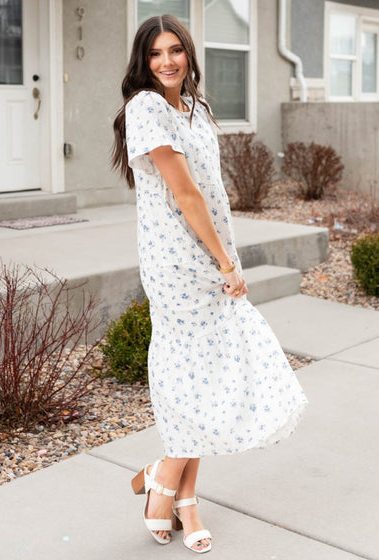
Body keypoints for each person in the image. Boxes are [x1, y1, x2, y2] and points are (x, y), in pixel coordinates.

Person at [112, 14, 308, 554]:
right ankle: (168, 483)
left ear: (189, 54)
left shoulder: (196, 108)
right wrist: (225, 263)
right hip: (178, 261)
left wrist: (225, 254)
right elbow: (186, 193)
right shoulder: (145, 107)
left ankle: (173, 488)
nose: (167, 62)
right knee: (190, 369)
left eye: (175, 51)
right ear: (142, 61)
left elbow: (213, 190)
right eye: (155, 54)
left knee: (204, 373)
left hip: (215, 251)